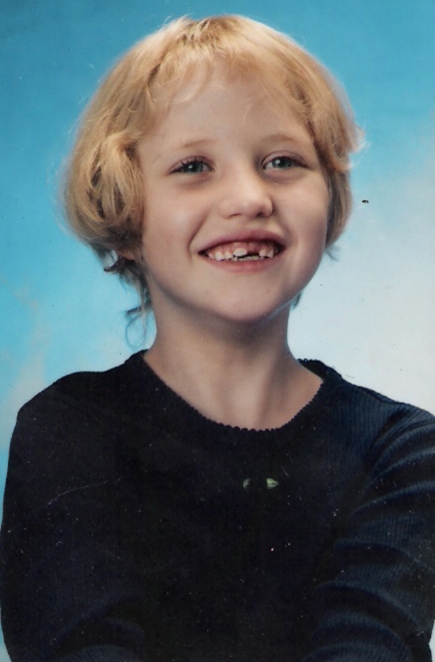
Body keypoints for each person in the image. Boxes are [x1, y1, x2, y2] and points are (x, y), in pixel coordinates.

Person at [1, 15, 435, 662]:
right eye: (194, 166)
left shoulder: (400, 449)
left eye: (282, 161)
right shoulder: (69, 431)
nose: (248, 196)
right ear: (125, 214)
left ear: (330, 198)